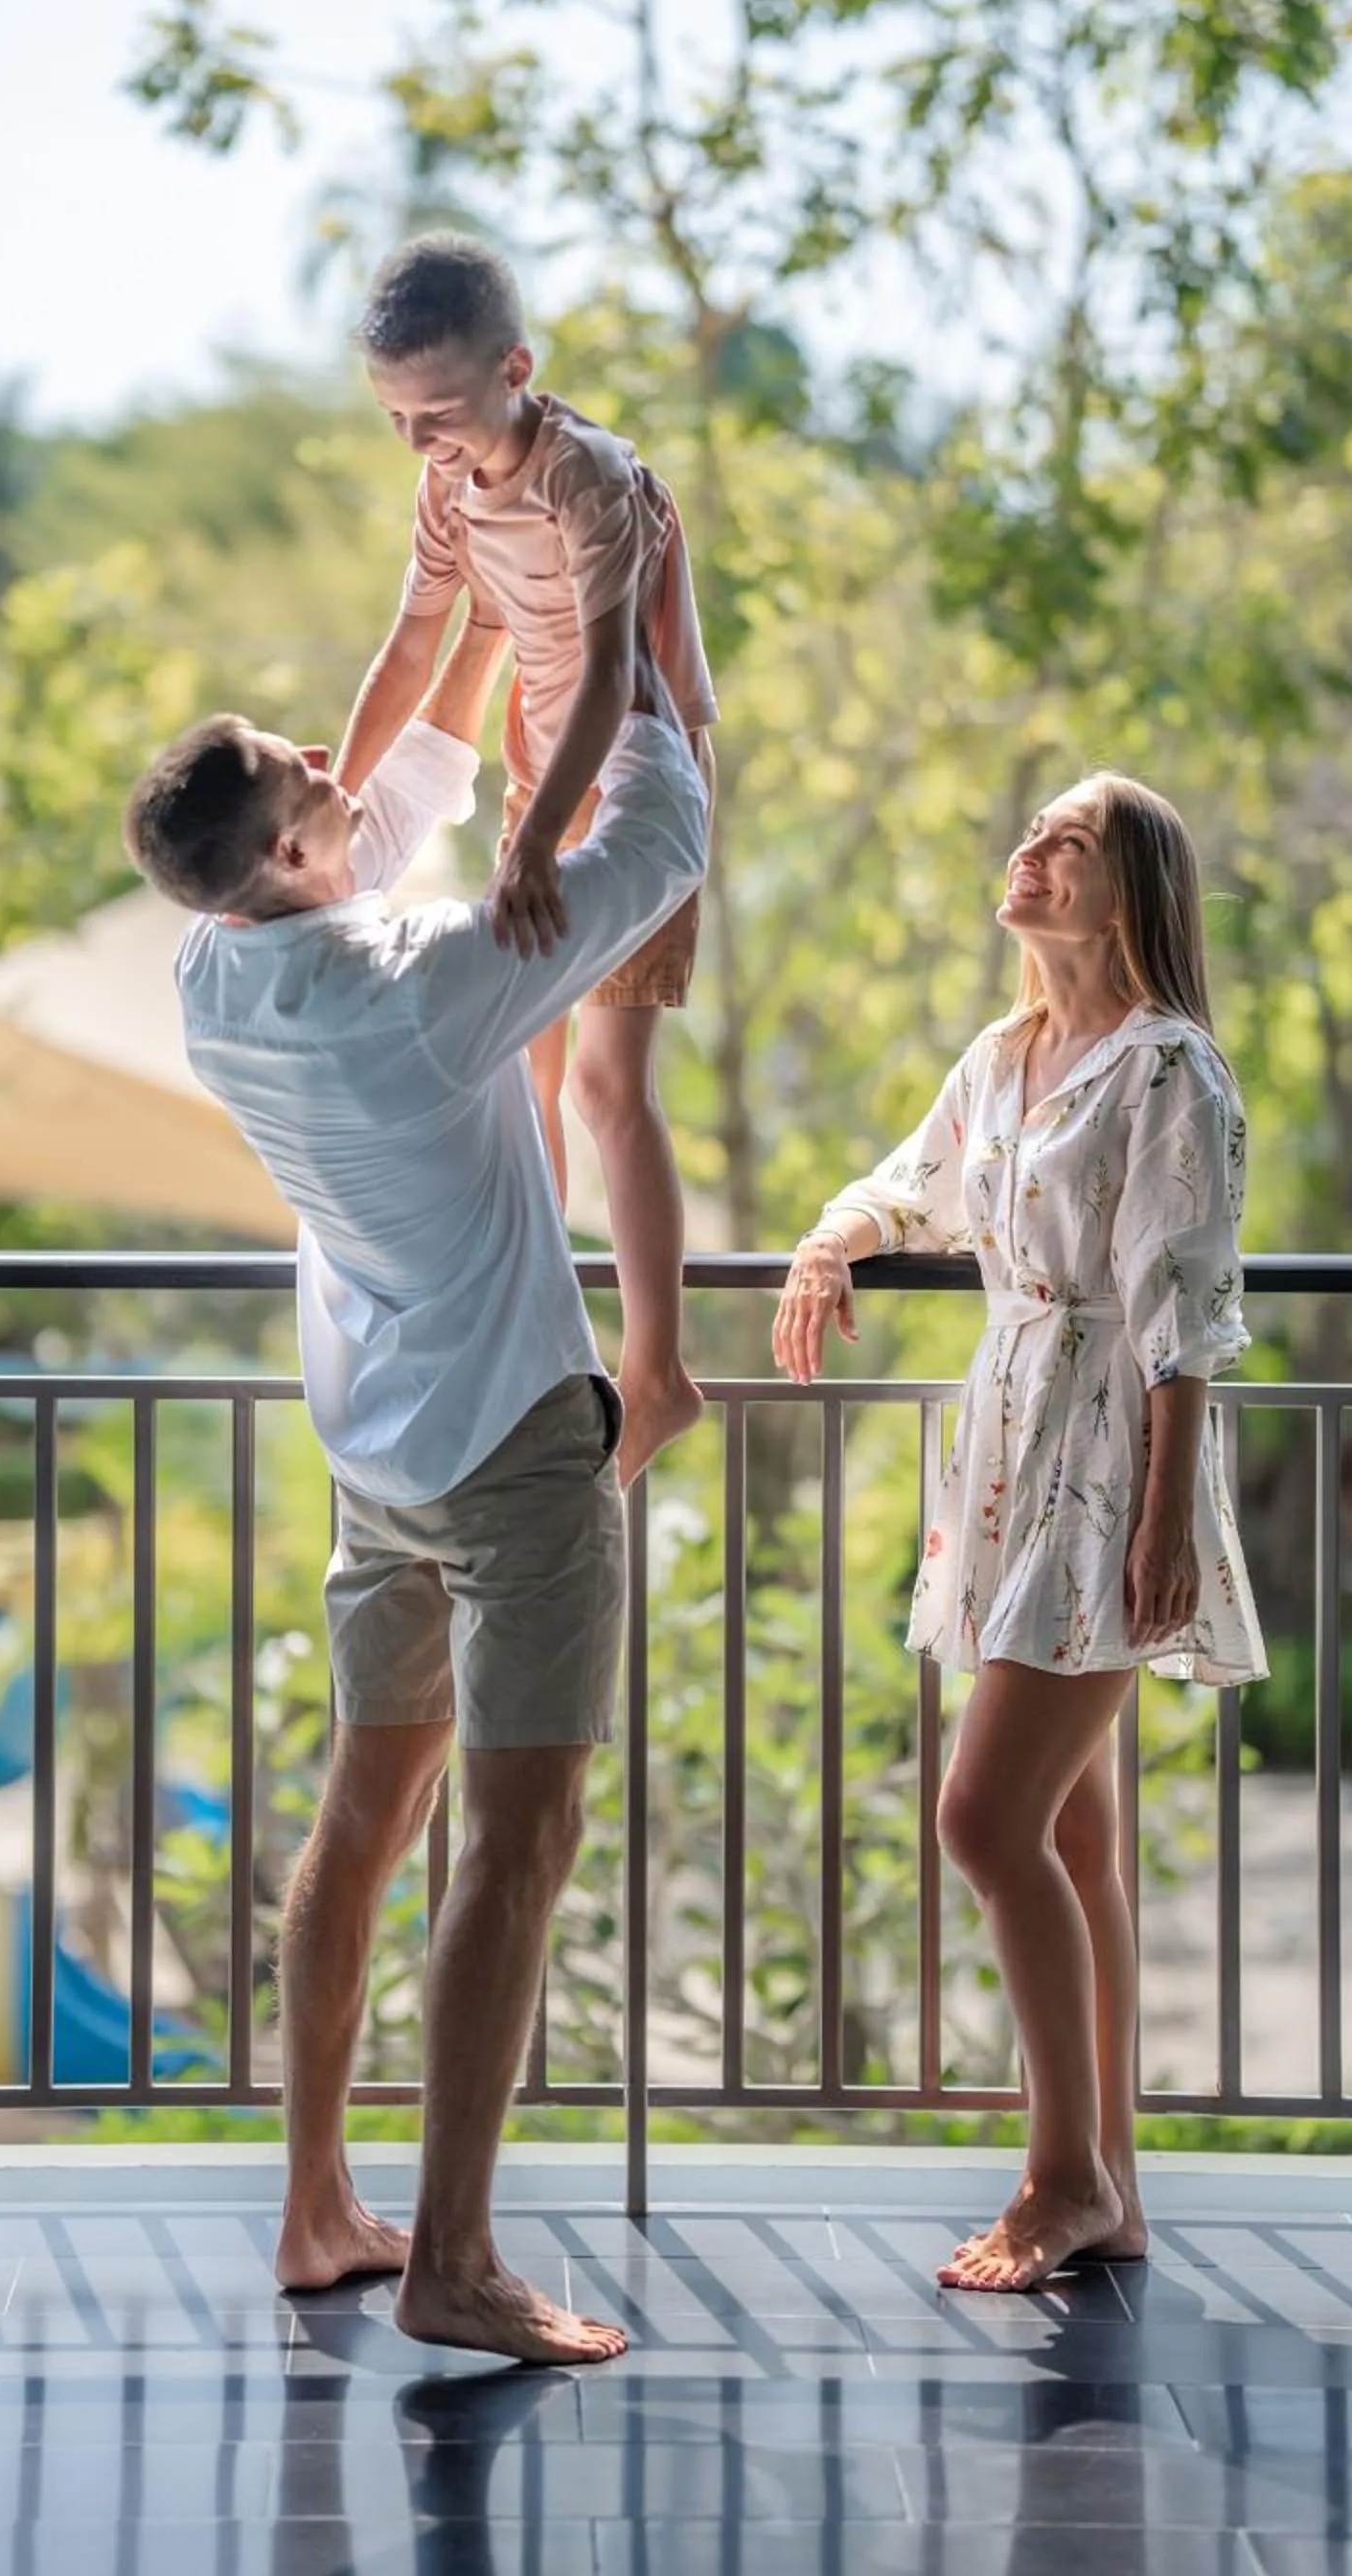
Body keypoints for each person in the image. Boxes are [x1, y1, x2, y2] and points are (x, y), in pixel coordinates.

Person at [123, 618, 707, 2366]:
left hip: (377, 1453)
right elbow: (660, 843)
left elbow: (394, 807)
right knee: (518, 1841)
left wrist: (465, 602)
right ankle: (453, 2260)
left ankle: (317, 2206)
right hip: (513, 1444)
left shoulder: (216, 974)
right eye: (300, 765)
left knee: (366, 1817)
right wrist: (629, 633)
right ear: (285, 853)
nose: (332, 756)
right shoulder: (424, 984)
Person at [773, 772, 1266, 2292]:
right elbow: (913, 1186)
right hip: (1009, 1441)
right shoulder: (1005, 1054)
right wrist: (833, 1239)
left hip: (1109, 1452)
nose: (1027, 852)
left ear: (1129, 893)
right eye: (1032, 832)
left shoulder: (1169, 1066)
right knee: (1071, 1835)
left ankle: (1064, 2178)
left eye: (1066, 843)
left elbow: (1185, 1305)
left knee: (984, 1821)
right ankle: (1112, 2179)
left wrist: (1164, 1519)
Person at [334, 231, 719, 1489]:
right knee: (522, 1080)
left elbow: (612, 675)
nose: (419, 441)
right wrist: (343, 803)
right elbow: (412, 647)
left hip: (633, 786)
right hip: (538, 785)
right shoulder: (447, 487)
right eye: (396, 418)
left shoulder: (586, 476)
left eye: (438, 413)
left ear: (516, 369)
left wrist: (548, 840)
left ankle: (657, 1373)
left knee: (608, 1084)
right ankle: (544, 1357)